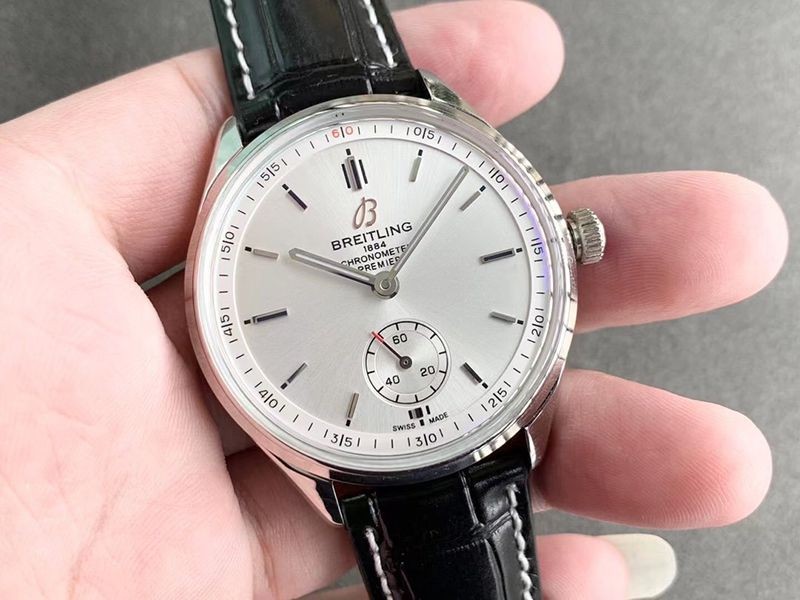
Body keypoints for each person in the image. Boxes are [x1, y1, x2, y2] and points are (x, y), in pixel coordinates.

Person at [0, 2, 786, 598]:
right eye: (379, 282)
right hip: (363, 454)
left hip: (471, 419)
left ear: (566, 237)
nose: (385, 284)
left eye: (388, 280)